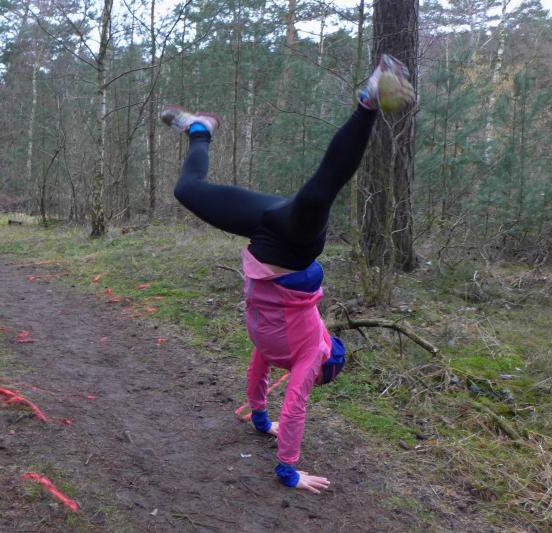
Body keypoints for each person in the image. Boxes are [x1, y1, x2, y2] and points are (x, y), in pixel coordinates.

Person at [161, 55, 415, 493]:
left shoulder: (273, 347)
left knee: (187, 190)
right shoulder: (309, 354)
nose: (311, 379)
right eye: (318, 375)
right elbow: (295, 407)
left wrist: (261, 420)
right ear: (323, 364)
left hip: (266, 228)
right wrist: (288, 470)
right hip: (294, 246)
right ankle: (368, 102)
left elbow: (257, 373)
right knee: (320, 192)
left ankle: (198, 129)